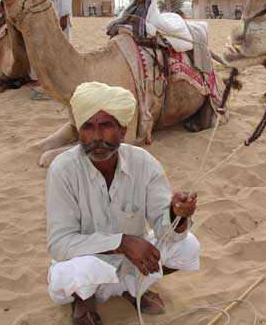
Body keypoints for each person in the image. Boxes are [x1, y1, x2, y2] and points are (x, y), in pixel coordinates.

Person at [46, 82, 200, 325]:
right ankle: (84, 300)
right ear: (79, 132)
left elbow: (165, 228)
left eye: (106, 126)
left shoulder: (143, 163)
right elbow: (59, 244)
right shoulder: (62, 170)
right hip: (88, 260)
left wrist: (177, 215)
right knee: (67, 275)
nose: (96, 137)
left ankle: (131, 288)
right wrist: (121, 243)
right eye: (88, 127)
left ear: (122, 130)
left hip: (132, 263)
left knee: (188, 246)